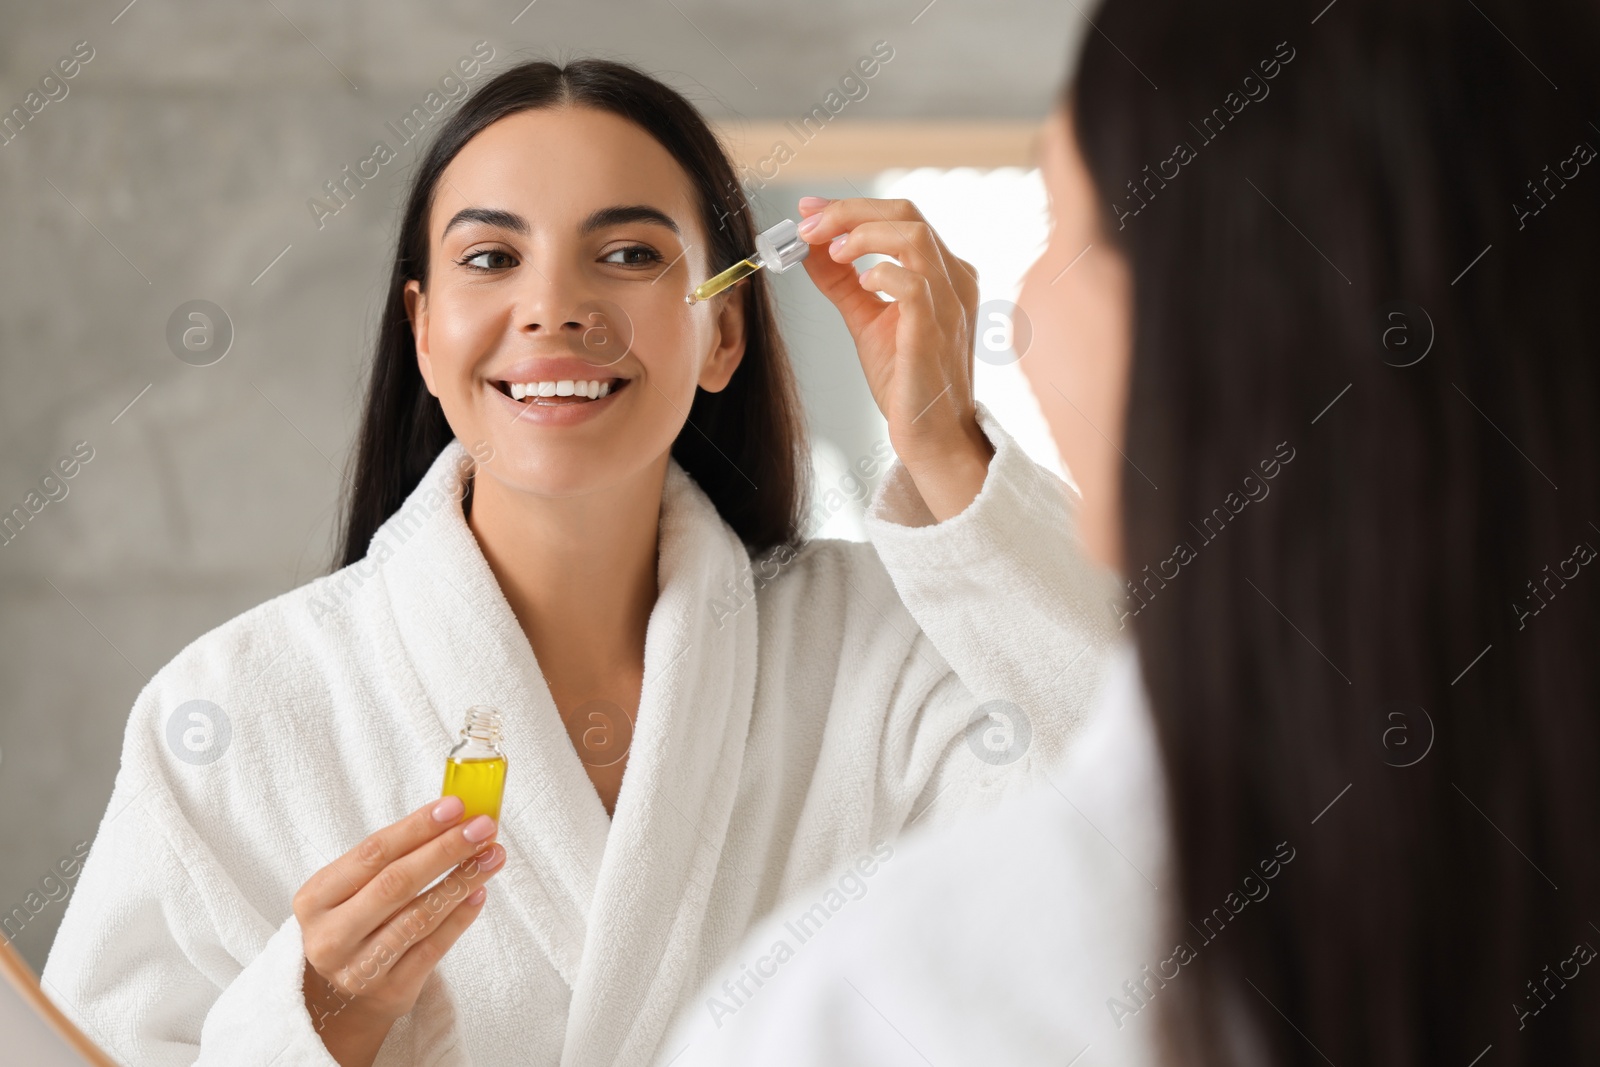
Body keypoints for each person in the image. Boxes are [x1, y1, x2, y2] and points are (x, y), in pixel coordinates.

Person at [39, 59, 1118, 1067]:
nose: (555, 308)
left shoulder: (891, 653)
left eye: (630, 253)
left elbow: (1159, 835)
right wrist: (313, 1014)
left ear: (724, 331)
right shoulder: (230, 711)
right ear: (423, 332)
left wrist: (941, 439)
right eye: (489, 257)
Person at [659, 0, 1600, 1063]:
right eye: (491, 258)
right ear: (418, 315)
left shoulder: (892, 1008)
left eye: (1066, 226)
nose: (1016, 313)